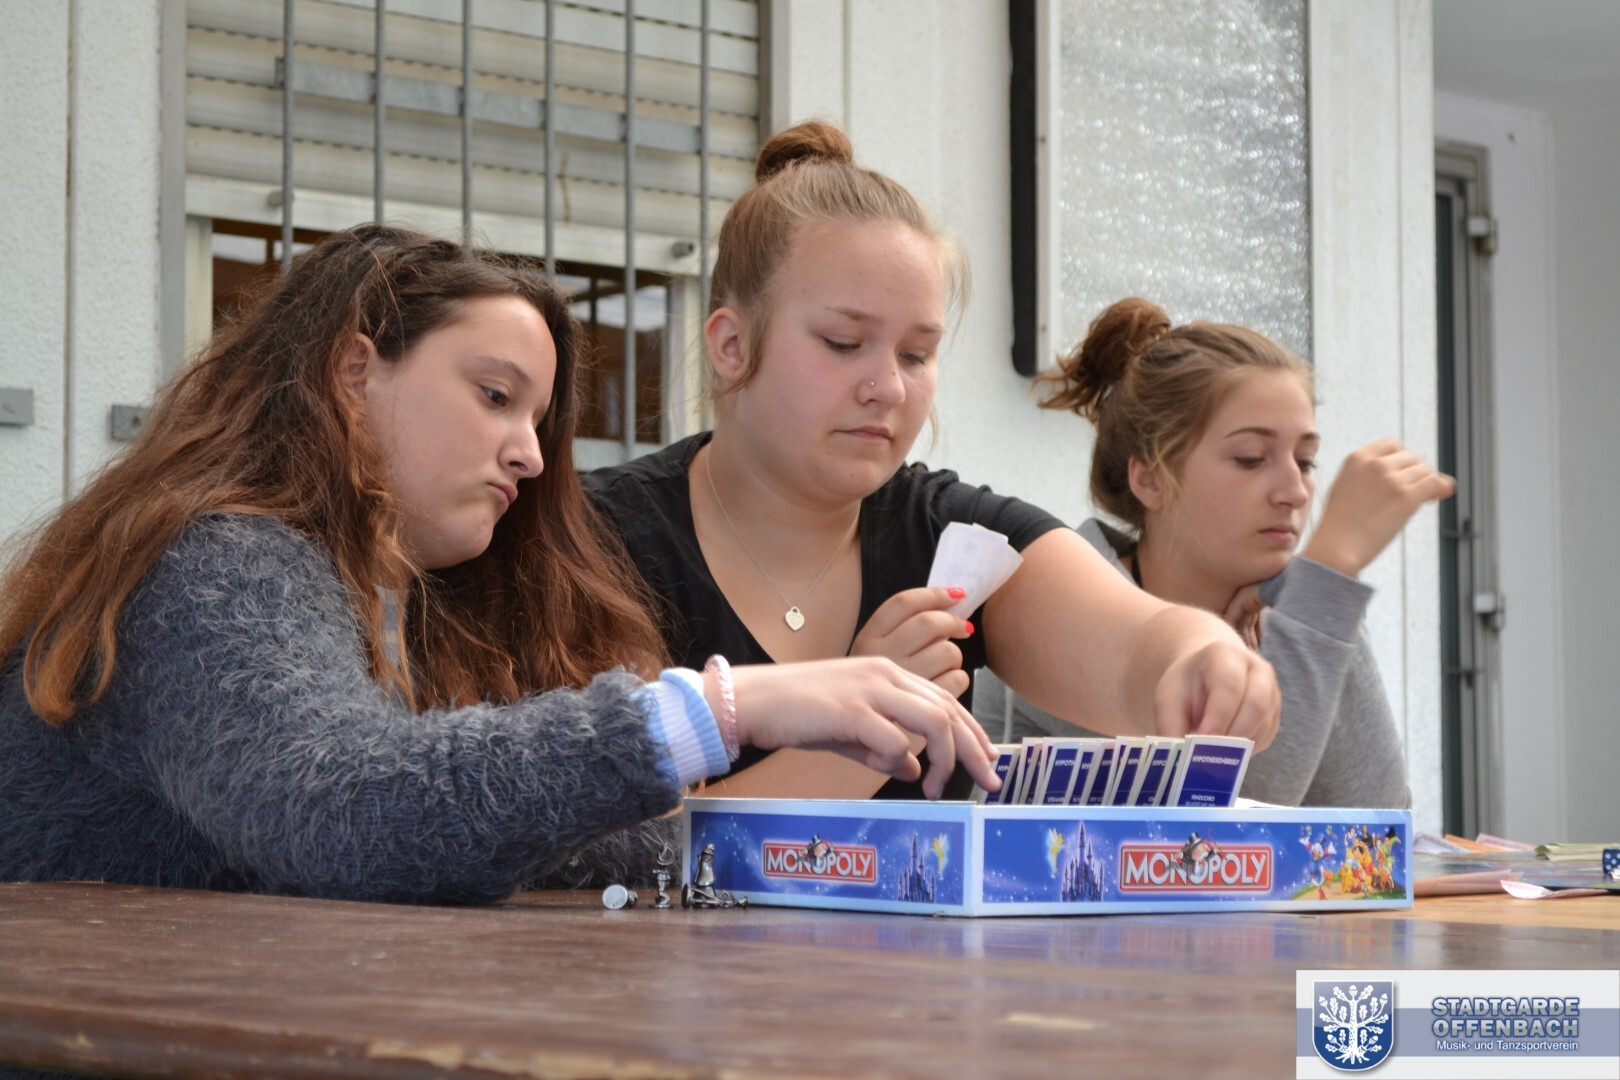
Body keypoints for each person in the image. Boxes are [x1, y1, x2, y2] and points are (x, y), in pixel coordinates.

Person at [0, 225, 999, 906]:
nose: (529, 453)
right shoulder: (216, 563)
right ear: (353, 374)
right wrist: (726, 706)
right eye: (493, 396)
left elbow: (556, 839)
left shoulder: (409, 599)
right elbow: (351, 813)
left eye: (538, 419)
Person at [584, 121, 1280, 801]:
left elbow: (1137, 644)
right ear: (732, 346)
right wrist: (867, 726)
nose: (888, 386)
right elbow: (644, 847)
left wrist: (1204, 658)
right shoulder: (595, 538)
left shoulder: (954, 537)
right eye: (842, 342)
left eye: (916, 355)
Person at [974, 298, 1455, 807]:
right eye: (1251, 459)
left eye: (1306, 461)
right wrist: (1330, 573)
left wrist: (1313, 601)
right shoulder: (1067, 605)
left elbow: (1377, 822)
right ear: (1151, 479)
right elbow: (1219, 816)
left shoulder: (1293, 607)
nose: (1295, 491)